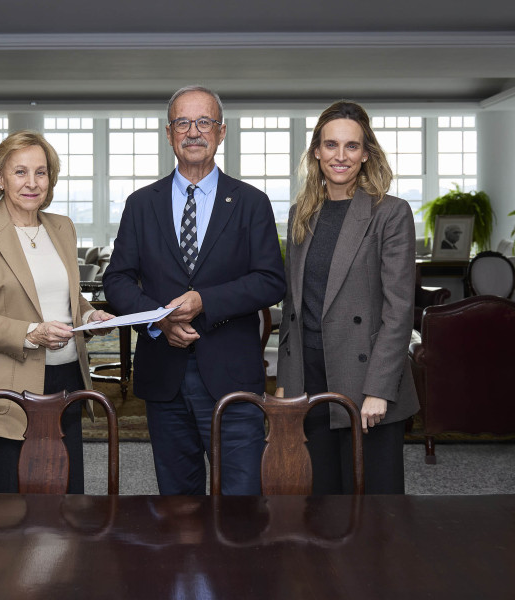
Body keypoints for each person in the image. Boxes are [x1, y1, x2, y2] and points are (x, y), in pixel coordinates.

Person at [103, 86, 286, 495]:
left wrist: (205, 301)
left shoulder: (251, 202)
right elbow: (116, 279)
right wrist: (158, 318)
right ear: (169, 134)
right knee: (177, 507)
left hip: (231, 376)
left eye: (204, 122)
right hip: (162, 374)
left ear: (222, 133)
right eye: (182, 123)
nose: (193, 132)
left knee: (240, 504)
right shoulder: (140, 204)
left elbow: (271, 280)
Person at [0, 130, 114, 493]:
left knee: (66, 496)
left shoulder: (62, 227)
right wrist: (31, 332)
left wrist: (89, 317)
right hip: (8, 386)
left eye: (41, 172)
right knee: (4, 507)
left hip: (68, 381)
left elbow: (68, 298)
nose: (32, 183)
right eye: (20, 172)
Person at [275, 100, 420, 494]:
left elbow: (399, 310)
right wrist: (286, 377)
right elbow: (293, 303)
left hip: (365, 378)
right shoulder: (301, 213)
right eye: (331, 145)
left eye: (351, 146)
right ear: (316, 152)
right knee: (319, 501)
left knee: (373, 508)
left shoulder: (389, 213)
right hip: (311, 375)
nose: (340, 156)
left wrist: (378, 387)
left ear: (366, 153)